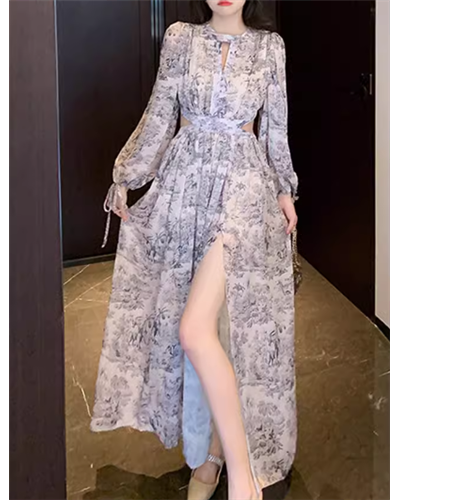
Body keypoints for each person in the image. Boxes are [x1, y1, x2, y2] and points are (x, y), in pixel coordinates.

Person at [91, 1, 299, 498]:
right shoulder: (180, 38)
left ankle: (243, 479)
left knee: (198, 328)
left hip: (243, 193)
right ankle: (210, 458)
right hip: (185, 190)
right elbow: (160, 113)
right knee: (214, 335)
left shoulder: (270, 48)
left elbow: (275, 130)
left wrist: (284, 189)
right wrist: (127, 176)